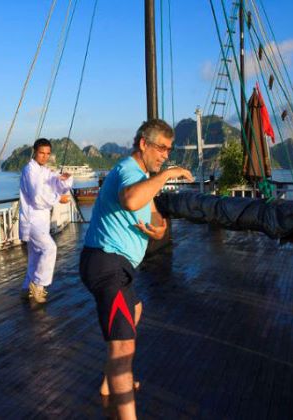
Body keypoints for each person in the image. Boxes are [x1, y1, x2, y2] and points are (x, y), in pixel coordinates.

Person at [79, 119, 193, 419]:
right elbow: (130, 199)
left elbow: (153, 213)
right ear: (143, 143)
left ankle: (109, 382)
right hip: (107, 264)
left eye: (169, 150)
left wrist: (158, 230)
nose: (165, 155)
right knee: (123, 349)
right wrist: (168, 175)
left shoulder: (143, 177)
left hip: (120, 267)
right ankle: (120, 388)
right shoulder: (127, 171)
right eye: (161, 148)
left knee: (136, 310)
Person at [19, 138, 73, 303]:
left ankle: (27, 287)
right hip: (32, 220)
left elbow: (56, 183)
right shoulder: (30, 171)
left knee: (35, 255)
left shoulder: (44, 171)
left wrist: (64, 179)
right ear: (35, 152)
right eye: (41, 153)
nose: (44, 156)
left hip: (41, 220)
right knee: (50, 248)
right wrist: (58, 199)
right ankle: (38, 285)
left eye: (47, 153)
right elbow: (37, 197)